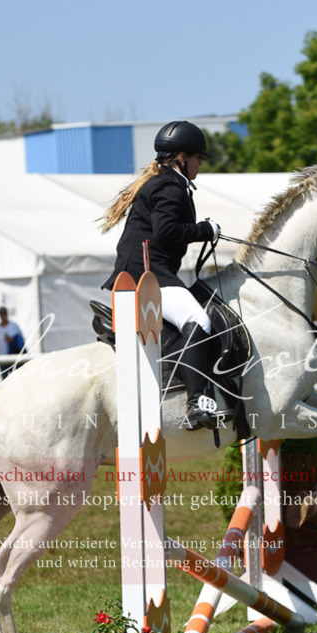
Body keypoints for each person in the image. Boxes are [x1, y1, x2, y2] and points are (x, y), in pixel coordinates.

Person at [100, 120, 231, 430]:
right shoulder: (170, 184)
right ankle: (197, 402)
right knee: (198, 319)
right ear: (183, 157)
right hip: (148, 275)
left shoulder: (163, 181)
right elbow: (167, 231)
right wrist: (206, 230)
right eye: (199, 158)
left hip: (143, 272)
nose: (200, 164)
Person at [0, 307, 25, 379]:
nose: (2, 314)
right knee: (4, 380)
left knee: (15, 379)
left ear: (7, 314)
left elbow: (20, 340)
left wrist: (10, 339)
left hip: (13, 358)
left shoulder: (13, 325)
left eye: (4, 312)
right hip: (1, 358)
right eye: (1, 313)